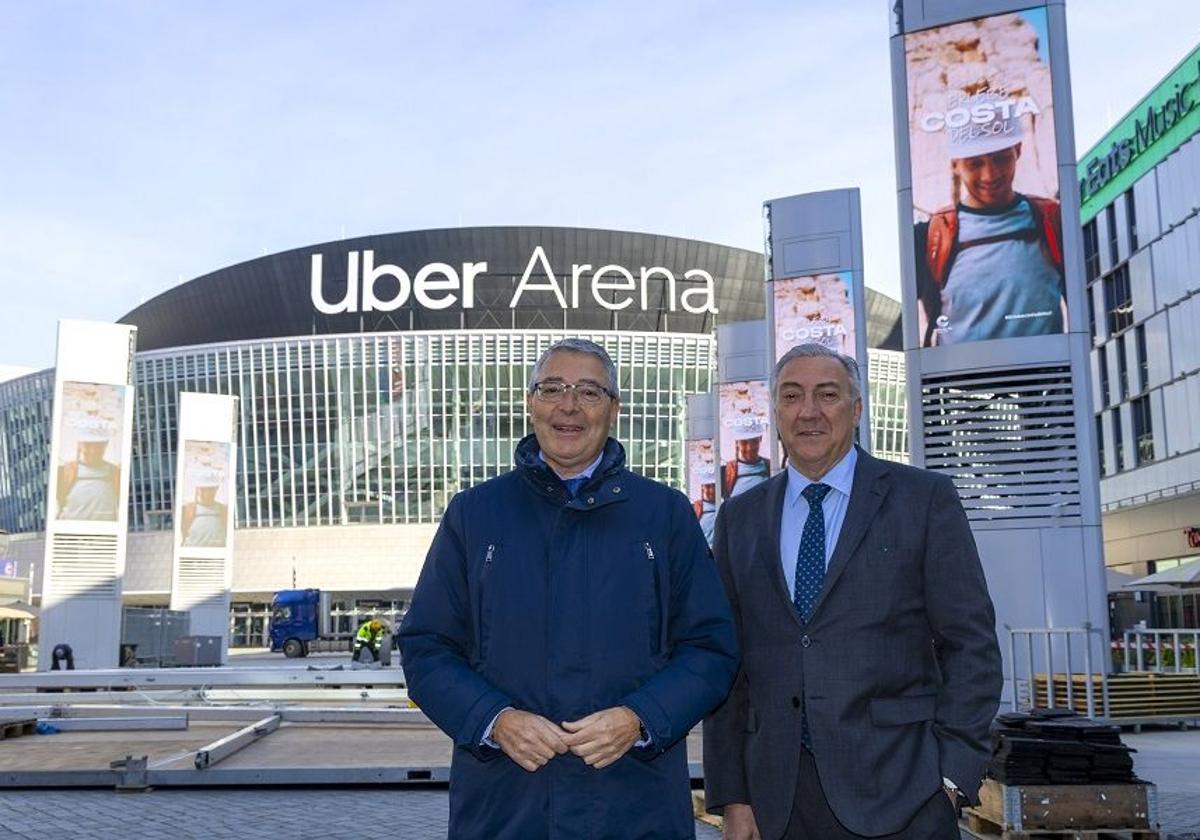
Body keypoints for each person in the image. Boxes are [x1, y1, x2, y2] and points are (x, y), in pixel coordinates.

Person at [399, 337, 738, 839]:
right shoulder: (473, 515)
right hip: (509, 810)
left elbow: (711, 648)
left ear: (614, 410)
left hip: (634, 808)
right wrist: (495, 720)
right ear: (529, 402)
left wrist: (639, 718)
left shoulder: (663, 515)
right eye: (552, 388)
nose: (569, 406)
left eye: (589, 392)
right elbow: (426, 647)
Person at [704, 343, 1002, 840]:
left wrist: (951, 776)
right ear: (776, 411)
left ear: (857, 408)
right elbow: (726, 665)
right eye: (792, 396)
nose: (809, 412)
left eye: (828, 395)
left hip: (904, 794)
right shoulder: (740, 518)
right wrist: (733, 796)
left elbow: (971, 646)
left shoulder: (923, 500)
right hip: (776, 802)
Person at [915, 92, 1065, 347]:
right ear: (955, 164)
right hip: (964, 383)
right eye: (975, 164)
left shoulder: (1051, 219)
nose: (990, 174)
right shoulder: (930, 235)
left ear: (1017, 150)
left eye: (1000, 158)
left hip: (1045, 381)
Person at [57, 425, 121, 521]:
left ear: (105, 445)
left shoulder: (115, 472)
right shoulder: (65, 471)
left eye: (98, 446)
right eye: (88, 445)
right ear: (79, 444)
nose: (93, 451)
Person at [721, 422, 771, 498]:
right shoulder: (728, 470)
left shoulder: (769, 466)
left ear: (760, 439)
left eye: (754, 441)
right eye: (744, 442)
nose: (749, 448)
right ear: (737, 443)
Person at [180, 474, 229, 547]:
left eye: (209, 490)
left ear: (215, 490)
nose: (206, 493)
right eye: (203, 489)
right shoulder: (190, 509)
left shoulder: (222, 509)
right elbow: (183, 532)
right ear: (198, 490)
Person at [693, 463, 718, 546]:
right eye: (707, 486)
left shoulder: (726, 507)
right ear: (702, 488)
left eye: (713, 486)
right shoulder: (695, 509)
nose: (711, 491)